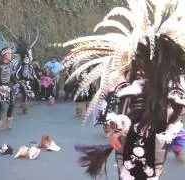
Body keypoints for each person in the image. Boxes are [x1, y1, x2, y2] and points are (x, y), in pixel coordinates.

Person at [63, 1, 185, 179]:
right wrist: (115, 130)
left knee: (148, 175)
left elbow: (177, 113)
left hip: (154, 142)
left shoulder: (169, 87)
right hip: (131, 142)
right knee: (128, 173)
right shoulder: (127, 83)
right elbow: (121, 114)